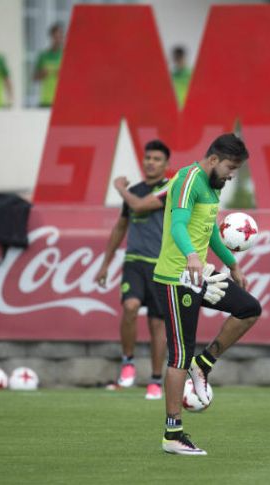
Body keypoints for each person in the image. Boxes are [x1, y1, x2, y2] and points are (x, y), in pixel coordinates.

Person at [153, 133, 262, 456]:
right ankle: (173, 434)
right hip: (177, 278)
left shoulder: (213, 185)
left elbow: (210, 230)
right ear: (214, 159)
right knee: (177, 357)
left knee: (249, 309)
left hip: (200, 276)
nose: (232, 175)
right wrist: (190, 256)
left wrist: (233, 264)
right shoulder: (188, 180)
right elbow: (178, 226)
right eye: (231, 167)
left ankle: (204, 363)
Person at [95, 140, 172, 400]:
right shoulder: (136, 190)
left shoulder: (167, 189)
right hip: (135, 262)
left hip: (161, 265)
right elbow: (120, 227)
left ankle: (155, 380)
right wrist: (105, 264)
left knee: (157, 324)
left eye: (156, 159)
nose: (150, 162)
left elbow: (139, 206)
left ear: (166, 164)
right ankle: (127, 362)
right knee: (129, 307)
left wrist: (119, 189)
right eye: (148, 157)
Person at [33, 23, 64, 107]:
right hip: (46, 101)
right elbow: (34, 78)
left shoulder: (67, 56)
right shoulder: (43, 56)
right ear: (51, 37)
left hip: (63, 101)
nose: (58, 39)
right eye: (55, 37)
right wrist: (42, 74)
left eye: (60, 37)